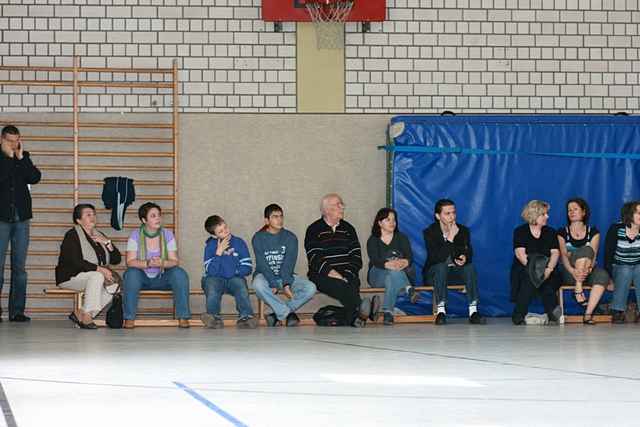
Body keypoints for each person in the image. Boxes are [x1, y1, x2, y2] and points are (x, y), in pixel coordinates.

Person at [304, 193, 378, 327]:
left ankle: (357, 318)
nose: (342, 208)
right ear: (326, 210)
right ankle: (367, 311)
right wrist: (336, 275)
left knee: (351, 282)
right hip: (322, 274)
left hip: (347, 273)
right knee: (343, 286)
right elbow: (315, 258)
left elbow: (356, 257)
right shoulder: (313, 229)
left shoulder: (349, 229)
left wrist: (348, 274)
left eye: (342, 204)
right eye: (338, 205)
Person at [122, 202, 191, 329]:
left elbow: (175, 261)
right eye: (153, 216)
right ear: (144, 220)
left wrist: (162, 263)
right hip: (142, 277)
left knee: (179, 273)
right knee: (131, 273)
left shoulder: (168, 234)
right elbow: (130, 261)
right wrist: (147, 263)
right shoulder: (135, 235)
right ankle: (129, 318)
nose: (158, 218)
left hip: (162, 276)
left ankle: (183, 317)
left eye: (159, 215)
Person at [56, 204, 121, 329]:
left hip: (92, 277)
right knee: (97, 276)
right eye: (88, 214)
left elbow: (117, 259)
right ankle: (85, 318)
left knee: (115, 286)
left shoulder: (99, 235)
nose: (93, 217)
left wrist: (107, 243)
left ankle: (82, 314)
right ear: (78, 220)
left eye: (94, 214)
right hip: (70, 277)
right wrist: (101, 270)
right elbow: (76, 262)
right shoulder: (72, 235)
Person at [0, 125, 41, 322]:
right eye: (9, 140)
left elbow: (35, 177)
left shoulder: (23, 157)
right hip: (1, 219)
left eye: (16, 140)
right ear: (1, 139)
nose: (13, 144)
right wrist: (8, 158)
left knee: (20, 268)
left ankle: (17, 311)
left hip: (21, 219)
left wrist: (21, 158)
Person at [252, 204, 317, 327]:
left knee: (310, 288)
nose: (279, 219)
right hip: (265, 276)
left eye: (281, 216)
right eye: (275, 217)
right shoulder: (258, 238)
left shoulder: (290, 237)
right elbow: (262, 264)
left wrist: (286, 283)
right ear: (266, 220)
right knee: (257, 284)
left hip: (285, 275)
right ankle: (287, 314)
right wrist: (272, 283)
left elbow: (289, 263)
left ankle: (276, 314)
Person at [422, 199, 485, 325]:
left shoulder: (462, 230)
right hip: (435, 274)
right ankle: (441, 312)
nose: (452, 217)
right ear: (438, 216)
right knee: (440, 267)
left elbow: (468, 252)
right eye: (447, 213)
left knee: (469, 267)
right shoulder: (430, 232)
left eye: (454, 213)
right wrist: (450, 237)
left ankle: (473, 311)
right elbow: (436, 258)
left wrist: (464, 258)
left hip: (455, 272)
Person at [557, 198, 610, 324]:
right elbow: (564, 257)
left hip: (587, 270)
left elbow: (593, 256)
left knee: (603, 275)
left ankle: (588, 314)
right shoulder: (562, 232)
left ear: (584, 212)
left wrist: (588, 269)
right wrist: (573, 271)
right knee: (585, 250)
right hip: (569, 271)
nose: (571, 212)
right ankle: (578, 286)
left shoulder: (593, 232)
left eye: (575, 209)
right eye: (569, 210)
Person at [511, 200, 562, 325]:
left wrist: (549, 269)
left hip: (548, 268)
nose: (547, 217)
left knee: (544, 279)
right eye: (544, 214)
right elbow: (520, 254)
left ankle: (519, 313)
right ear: (534, 215)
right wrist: (534, 270)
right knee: (530, 278)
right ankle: (552, 310)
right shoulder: (520, 231)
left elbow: (555, 253)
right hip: (526, 267)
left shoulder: (550, 232)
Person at [201, 215, 257, 329]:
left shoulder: (239, 242)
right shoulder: (210, 246)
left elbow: (247, 267)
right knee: (212, 287)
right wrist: (218, 253)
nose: (225, 231)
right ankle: (213, 317)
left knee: (241, 286)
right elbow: (211, 271)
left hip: (234, 277)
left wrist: (234, 271)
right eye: (221, 231)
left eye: (225, 227)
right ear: (214, 235)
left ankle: (246, 317)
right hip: (215, 278)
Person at [366, 207, 416, 325]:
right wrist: (388, 264)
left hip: (395, 274)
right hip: (377, 274)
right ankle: (408, 287)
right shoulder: (373, 239)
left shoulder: (402, 237)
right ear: (379, 223)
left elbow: (410, 257)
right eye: (388, 220)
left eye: (394, 220)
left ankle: (388, 312)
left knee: (391, 277)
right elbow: (375, 260)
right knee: (391, 272)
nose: (392, 223)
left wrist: (405, 262)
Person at [605, 201, 640, 324]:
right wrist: (609, 278)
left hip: (638, 268)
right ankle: (617, 311)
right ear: (629, 215)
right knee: (625, 270)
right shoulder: (616, 229)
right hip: (619, 267)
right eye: (639, 213)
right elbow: (608, 257)